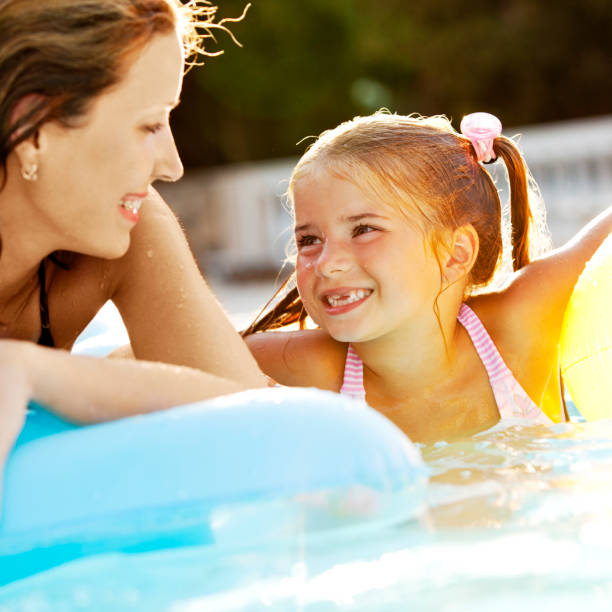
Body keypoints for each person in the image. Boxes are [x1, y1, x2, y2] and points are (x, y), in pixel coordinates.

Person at [0, 0, 267, 481]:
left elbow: (260, 426)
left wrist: (30, 369)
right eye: (149, 124)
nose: (172, 165)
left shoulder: (131, 227)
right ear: (31, 128)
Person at [243, 111, 612, 443]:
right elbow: (188, 357)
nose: (326, 263)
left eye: (363, 229)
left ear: (456, 254)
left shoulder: (518, 329)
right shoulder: (313, 371)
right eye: (309, 240)